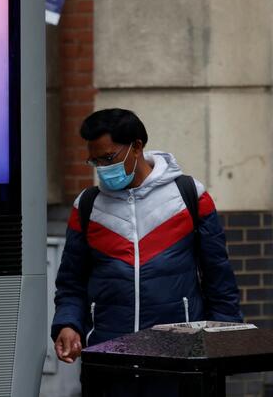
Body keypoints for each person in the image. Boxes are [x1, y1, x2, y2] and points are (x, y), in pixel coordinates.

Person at [51, 108, 242, 365]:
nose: (102, 168)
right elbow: (71, 283)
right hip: (108, 353)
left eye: (108, 158)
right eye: (95, 161)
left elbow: (219, 277)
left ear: (137, 147)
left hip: (180, 352)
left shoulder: (189, 195)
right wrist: (68, 324)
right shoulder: (86, 205)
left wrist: (226, 333)